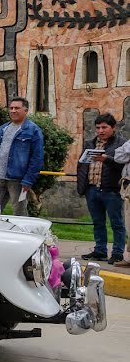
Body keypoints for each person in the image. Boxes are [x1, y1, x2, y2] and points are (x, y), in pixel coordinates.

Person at [77, 113, 127, 264]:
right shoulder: (90, 143)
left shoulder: (121, 144)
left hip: (111, 190)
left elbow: (123, 166)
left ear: (113, 128)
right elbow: (81, 164)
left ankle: (118, 253)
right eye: (98, 127)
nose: (100, 131)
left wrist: (107, 159)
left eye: (104, 127)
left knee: (116, 223)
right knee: (98, 222)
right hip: (92, 189)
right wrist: (83, 186)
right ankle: (100, 250)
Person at [0, 97, 44, 217]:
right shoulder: (2, 129)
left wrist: (28, 180)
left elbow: (37, 158)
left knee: (20, 214)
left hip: (18, 180)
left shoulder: (33, 130)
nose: (13, 111)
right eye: (11, 108)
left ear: (26, 110)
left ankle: (24, 235)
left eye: (17, 108)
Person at [114, 137, 130, 267]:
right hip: (127, 186)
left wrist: (126, 151)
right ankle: (129, 258)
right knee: (129, 223)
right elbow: (118, 156)